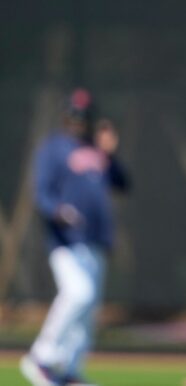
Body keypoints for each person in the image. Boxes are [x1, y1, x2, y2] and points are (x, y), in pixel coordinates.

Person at [21, 89, 129, 386]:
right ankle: (42, 355)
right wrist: (58, 211)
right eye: (73, 113)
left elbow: (122, 184)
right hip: (65, 240)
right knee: (78, 293)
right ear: (65, 115)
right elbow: (42, 193)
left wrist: (109, 153)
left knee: (89, 311)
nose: (78, 120)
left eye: (83, 114)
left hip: (95, 241)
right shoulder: (53, 147)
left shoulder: (97, 149)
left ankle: (68, 369)